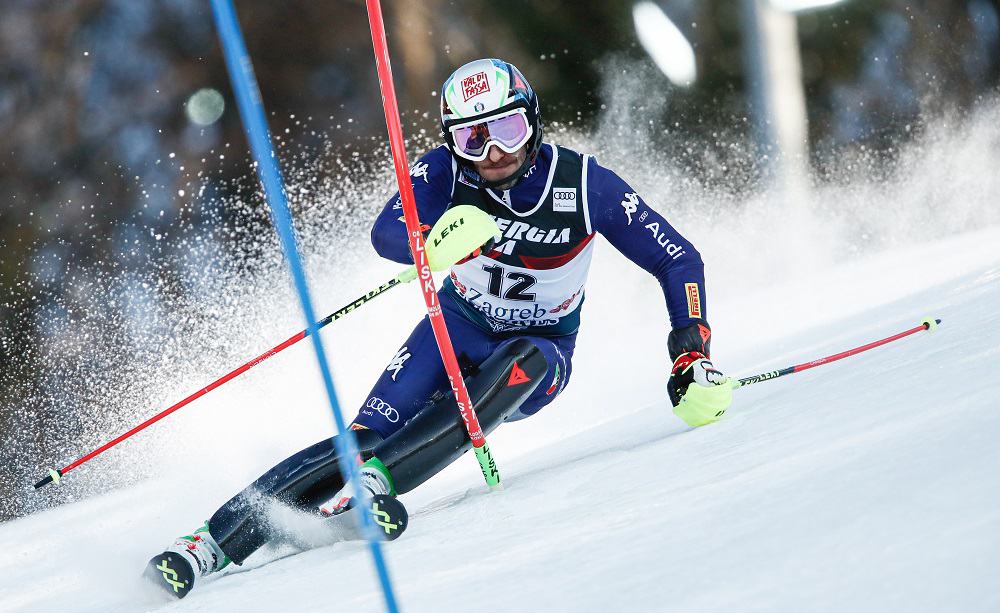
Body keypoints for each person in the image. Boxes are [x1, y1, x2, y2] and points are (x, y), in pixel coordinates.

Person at [144, 58, 732, 598]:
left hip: (543, 349)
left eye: (507, 130)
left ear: (533, 123)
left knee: (521, 358)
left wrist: (689, 350)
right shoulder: (444, 171)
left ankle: (374, 486)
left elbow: (677, 259)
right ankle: (207, 545)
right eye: (472, 137)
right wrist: (433, 242)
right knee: (363, 438)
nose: (493, 152)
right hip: (455, 327)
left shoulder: (584, 185)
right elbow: (386, 234)